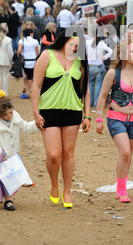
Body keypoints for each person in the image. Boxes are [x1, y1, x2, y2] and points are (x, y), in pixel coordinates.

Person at [31, 27, 91, 208]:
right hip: (48, 110)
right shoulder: (47, 55)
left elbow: (85, 91)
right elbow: (35, 86)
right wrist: (35, 113)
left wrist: (87, 116)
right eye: (72, 43)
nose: (74, 48)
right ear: (63, 40)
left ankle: (67, 190)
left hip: (73, 111)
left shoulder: (80, 61)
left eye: (78, 45)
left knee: (68, 153)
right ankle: (53, 184)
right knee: (53, 154)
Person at [95, 38, 133, 203]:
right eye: (132, 52)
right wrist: (98, 118)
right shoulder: (113, 73)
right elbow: (103, 96)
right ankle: (121, 189)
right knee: (125, 152)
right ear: (124, 55)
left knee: (127, 156)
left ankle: (122, 184)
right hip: (115, 118)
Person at [0, 90, 39, 211]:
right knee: (2, 176)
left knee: (3, 176)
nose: (9, 116)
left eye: (11, 112)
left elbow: (27, 127)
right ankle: (3, 197)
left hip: (11, 155)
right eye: (6, 114)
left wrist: (37, 124)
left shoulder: (16, 119)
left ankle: (0, 196)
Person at [86, 32, 113, 108]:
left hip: (90, 66)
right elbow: (110, 51)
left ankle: (89, 102)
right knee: (99, 85)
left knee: (90, 84)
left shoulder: (87, 43)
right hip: (99, 66)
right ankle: (96, 104)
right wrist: (104, 58)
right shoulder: (101, 43)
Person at [0, 23, 14, 96]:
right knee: (5, 75)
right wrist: (11, 60)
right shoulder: (8, 40)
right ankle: (4, 91)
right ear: (6, 31)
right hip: (6, 59)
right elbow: (10, 52)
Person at [17, 28, 40, 98]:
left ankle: (25, 87)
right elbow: (37, 52)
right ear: (30, 33)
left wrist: (18, 57)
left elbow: (19, 50)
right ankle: (28, 90)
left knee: (25, 75)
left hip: (24, 61)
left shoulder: (22, 41)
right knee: (30, 76)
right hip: (32, 61)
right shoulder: (35, 41)